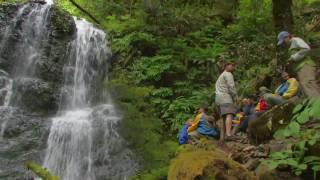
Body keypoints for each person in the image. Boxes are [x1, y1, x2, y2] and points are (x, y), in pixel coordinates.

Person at [277, 31, 319, 97]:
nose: (283, 44)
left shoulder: (296, 40)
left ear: (287, 37)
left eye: (283, 41)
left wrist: (293, 58)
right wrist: (290, 61)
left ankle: (317, 102)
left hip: (305, 65)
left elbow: (306, 48)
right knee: (305, 86)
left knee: (309, 83)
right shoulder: (290, 47)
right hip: (300, 68)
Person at [215, 62, 238, 141]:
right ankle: (228, 134)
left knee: (224, 117)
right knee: (229, 114)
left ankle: (223, 137)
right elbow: (231, 86)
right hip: (225, 97)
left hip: (218, 98)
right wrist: (235, 97)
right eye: (231, 65)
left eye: (233, 66)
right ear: (226, 67)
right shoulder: (228, 74)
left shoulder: (221, 76)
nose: (232, 67)